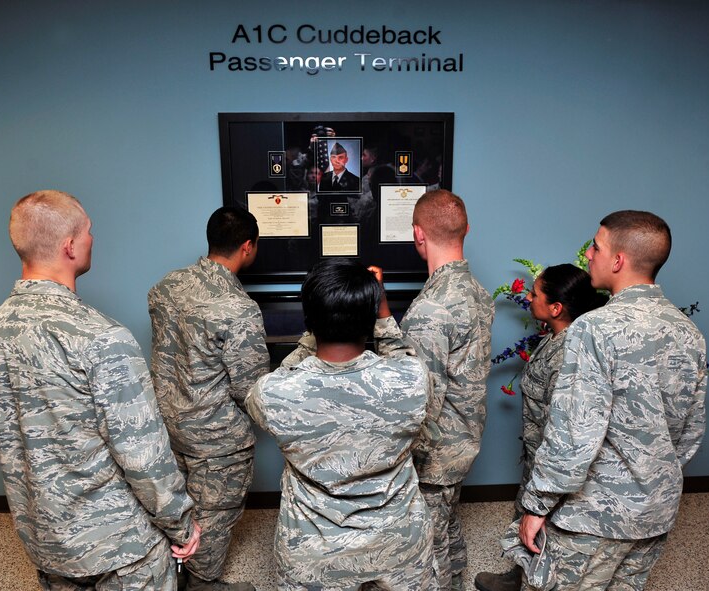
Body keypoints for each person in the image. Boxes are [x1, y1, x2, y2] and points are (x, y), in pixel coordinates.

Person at [0, 190, 200, 590]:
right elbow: (144, 456)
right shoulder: (104, 339)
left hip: (46, 541)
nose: (93, 238)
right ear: (70, 246)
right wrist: (181, 525)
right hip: (122, 550)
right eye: (89, 231)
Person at [518, 211, 707, 591]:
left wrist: (537, 503)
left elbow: (575, 433)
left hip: (594, 517)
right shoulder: (689, 332)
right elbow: (691, 431)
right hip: (655, 510)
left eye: (597, 246)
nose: (589, 254)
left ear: (618, 260)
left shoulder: (593, 327)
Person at [245, 259, 437, 590]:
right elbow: (405, 358)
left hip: (314, 551)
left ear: (310, 320)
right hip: (398, 544)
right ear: (371, 317)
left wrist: (311, 334)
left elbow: (280, 377)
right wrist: (384, 315)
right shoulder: (412, 380)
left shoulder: (274, 393)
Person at [148, 206, 270, 591]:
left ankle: (173, 574)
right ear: (247, 247)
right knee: (215, 512)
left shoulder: (166, 286)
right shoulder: (239, 310)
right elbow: (251, 388)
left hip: (169, 424)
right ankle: (202, 583)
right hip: (217, 439)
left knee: (178, 508)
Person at [383, 189, 495, 590]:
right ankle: (458, 578)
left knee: (426, 545)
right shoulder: (477, 292)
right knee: (446, 521)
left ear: (417, 234)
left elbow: (422, 399)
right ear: (466, 229)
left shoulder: (431, 310)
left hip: (436, 452)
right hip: (464, 437)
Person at [473, 265, 607, 591]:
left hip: (554, 463)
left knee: (548, 532)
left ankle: (534, 582)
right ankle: (518, 576)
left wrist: (546, 486)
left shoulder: (570, 355)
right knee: (526, 519)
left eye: (535, 294)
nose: (528, 298)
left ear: (556, 308)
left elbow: (567, 428)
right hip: (536, 457)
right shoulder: (556, 336)